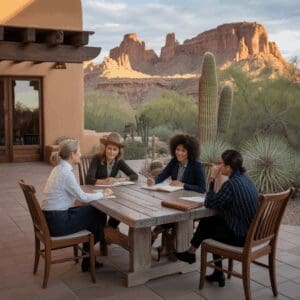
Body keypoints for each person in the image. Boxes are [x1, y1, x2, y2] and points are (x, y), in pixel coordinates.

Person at [174, 150, 259, 287]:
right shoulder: (246, 179)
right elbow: (222, 201)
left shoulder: (231, 185)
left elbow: (209, 202)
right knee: (210, 221)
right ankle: (215, 271)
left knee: (209, 227)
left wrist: (213, 178)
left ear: (228, 167)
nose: (218, 166)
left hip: (241, 237)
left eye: (220, 163)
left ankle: (191, 253)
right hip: (253, 233)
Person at [42, 139, 113, 272]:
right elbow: (83, 197)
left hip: (50, 218)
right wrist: (104, 193)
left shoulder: (58, 169)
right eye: (79, 152)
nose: (81, 154)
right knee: (98, 215)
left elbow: (76, 195)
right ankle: (90, 256)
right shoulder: (66, 173)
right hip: (58, 223)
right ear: (72, 154)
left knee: (94, 213)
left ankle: (89, 257)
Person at [147, 134, 206, 248]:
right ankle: (165, 244)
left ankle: (157, 234)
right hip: (174, 198)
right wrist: (154, 181)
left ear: (190, 152)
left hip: (189, 202)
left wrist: (183, 185)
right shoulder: (174, 161)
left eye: (183, 150)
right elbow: (163, 175)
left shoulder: (196, 165)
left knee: (171, 213)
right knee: (162, 208)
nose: (179, 153)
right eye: (178, 150)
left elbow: (202, 188)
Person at [86, 132, 138, 228]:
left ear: (119, 151)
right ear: (105, 148)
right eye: (109, 148)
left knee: (121, 207)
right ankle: (105, 233)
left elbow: (134, 176)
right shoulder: (97, 158)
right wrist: (103, 181)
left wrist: (120, 179)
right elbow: (88, 179)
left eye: (115, 149)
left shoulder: (119, 161)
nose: (111, 152)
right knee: (102, 212)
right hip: (96, 194)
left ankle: (110, 229)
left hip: (110, 193)